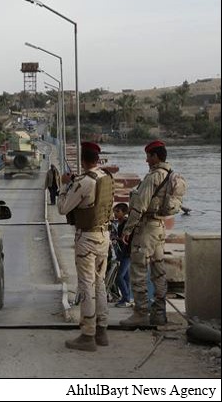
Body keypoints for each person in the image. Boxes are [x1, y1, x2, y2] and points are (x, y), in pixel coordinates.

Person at [57, 141, 115, 351]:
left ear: (82, 160)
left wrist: (65, 185)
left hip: (87, 239)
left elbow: (63, 208)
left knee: (86, 285)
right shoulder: (106, 177)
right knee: (100, 284)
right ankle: (102, 330)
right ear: (97, 159)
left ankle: (87, 335)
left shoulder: (83, 182)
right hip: (104, 237)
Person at [120, 140, 171, 327]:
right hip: (159, 228)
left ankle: (141, 312)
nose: (146, 160)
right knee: (159, 272)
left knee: (138, 271)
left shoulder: (153, 177)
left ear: (155, 156)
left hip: (146, 229)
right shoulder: (169, 175)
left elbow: (139, 207)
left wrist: (127, 229)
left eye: (148, 156)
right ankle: (159, 313)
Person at [112, 203, 132, 308]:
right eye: (114, 211)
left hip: (126, 253)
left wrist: (116, 238)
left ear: (124, 213)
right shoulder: (119, 223)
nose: (115, 213)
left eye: (117, 211)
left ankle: (126, 298)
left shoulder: (126, 223)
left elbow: (126, 239)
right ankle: (126, 298)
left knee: (119, 277)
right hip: (122, 253)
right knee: (125, 276)